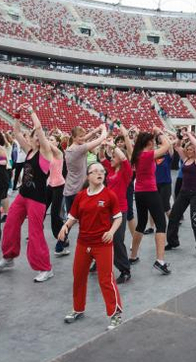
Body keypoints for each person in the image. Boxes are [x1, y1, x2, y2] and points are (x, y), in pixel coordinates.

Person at [0, 106, 59, 282]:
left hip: (37, 199)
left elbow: (39, 131)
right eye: (34, 135)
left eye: (38, 136)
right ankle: (9, 257)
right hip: (23, 196)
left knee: (35, 233)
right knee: (11, 224)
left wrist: (31, 112)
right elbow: (16, 132)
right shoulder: (29, 151)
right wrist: (17, 116)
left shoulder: (45, 152)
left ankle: (45, 268)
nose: (36, 137)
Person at [58, 161, 123, 330]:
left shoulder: (109, 195)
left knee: (106, 279)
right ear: (88, 176)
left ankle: (115, 314)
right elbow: (73, 216)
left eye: (102, 171)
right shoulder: (80, 196)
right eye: (95, 171)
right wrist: (65, 226)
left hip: (102, 244)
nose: (99, 173)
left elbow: (118, 217)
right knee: (78, 276)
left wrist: (111, 232)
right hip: (83, 243)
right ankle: (78, 308)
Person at [57, 125, 108, 256]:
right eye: (79, 137)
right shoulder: (79, 149)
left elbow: (84, 138)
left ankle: (60, 245)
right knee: (88, 221)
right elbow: (101, 138)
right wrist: (102, 129)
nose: (82, 138)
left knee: (71, 219)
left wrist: (95, 130)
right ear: (73, 137)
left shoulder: (70, 148)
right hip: (77, 190)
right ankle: (92, 249)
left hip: (69, 189)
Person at [128, 129, 172, 274]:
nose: (155, 144)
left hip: (139, 193)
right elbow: (167, 144)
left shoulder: (137, 154)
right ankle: (160, 261)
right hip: (150, 192)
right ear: (149, 142)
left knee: (141, 224)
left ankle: (133, 256)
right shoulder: (147, 155)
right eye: (153, 142)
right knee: (161, 224)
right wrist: (159, 133)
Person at [166, 130, 196, 257]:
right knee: (173, 217)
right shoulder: (185, 159)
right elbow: (177, 146)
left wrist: (189, 134)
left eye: (192, 149)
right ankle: (173, 242)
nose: (190, 151)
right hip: (184, 193)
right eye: (188, 149)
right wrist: (179, 136)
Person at [105, 132, 133, 283]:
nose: (111, 158)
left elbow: (122, 158)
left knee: (117, 239)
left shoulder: (125, 172)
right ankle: (100, 262)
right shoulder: (110, 170)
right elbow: (103, 157)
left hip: (120, 211)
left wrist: (113, 146)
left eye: (113, 157)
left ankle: (125, 269)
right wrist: (105, 145)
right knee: (104, 237)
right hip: (107, 210)